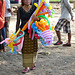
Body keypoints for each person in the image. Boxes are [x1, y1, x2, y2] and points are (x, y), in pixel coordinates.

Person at [16, 0, 39, 73]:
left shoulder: (35, 8)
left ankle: (33, 62)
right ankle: (26, 66)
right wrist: (17, 32)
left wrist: (37, 19)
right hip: (23, 31)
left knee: (33, 48)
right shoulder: (20, 9)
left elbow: (40, 19)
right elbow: (18, 21)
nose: (27, 1)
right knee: (25, 49)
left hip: (33, 31)